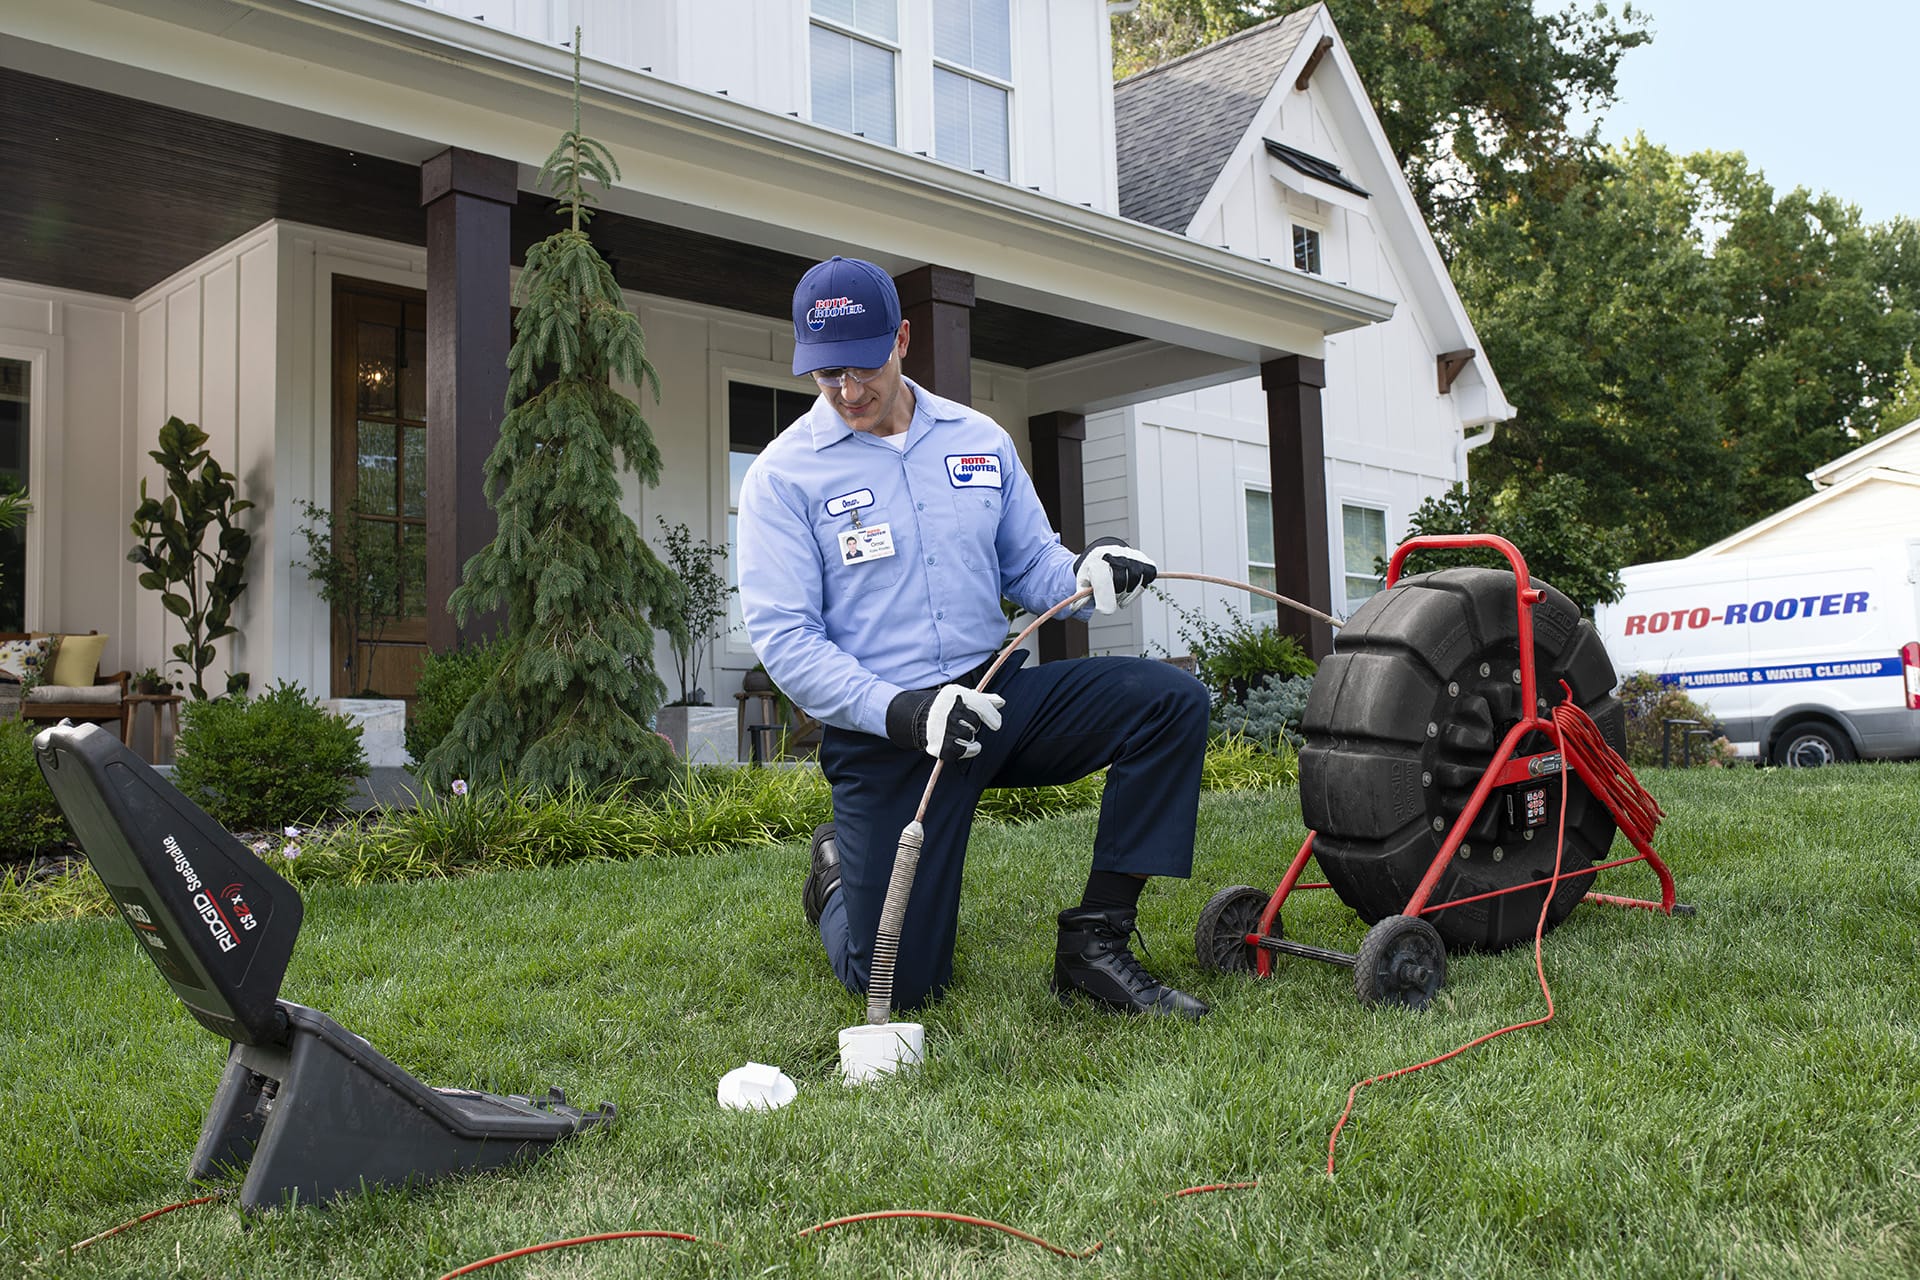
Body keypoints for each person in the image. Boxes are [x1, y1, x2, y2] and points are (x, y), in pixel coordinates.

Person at [736, 255, 1212, 1019]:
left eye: (862, 368)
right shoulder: (783, 478)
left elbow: (1031, 565)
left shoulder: (977, 439)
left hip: (996, 699)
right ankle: (832, 878)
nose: (848, 392)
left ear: (902, 337)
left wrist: (1087, 570)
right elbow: (788, 640)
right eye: (826, 376)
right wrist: (906, 712)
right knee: (898, 983)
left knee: (1170, 702)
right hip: (888, 732)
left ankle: (1096, 942)